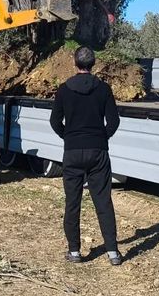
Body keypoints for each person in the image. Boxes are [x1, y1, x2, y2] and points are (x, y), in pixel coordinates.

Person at [49, 46, 121, 265]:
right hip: (98, 152)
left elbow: (54, 122)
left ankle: (74, 252)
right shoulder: (104, 89)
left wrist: (69, 138)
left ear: (75, 63)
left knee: (73, 203)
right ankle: (113, 253)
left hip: (72, 152)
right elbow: (114, 121)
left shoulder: (63, 89)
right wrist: (101, 138)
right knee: (103, 201)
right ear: (94, 63)